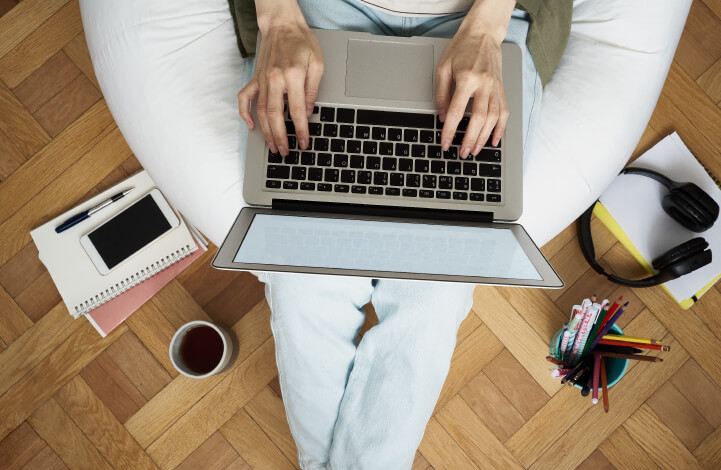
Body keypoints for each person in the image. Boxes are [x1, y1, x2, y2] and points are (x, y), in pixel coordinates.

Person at [228, 0, 571, 468]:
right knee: (302, 283)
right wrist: (279, 19)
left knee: (432, 301)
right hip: (317, 14)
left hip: (476, 19)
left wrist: (489, 29)